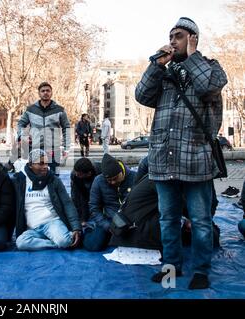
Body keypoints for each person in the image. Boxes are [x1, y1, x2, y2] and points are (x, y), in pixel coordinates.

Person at [135, 17, 228, 289]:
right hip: (164, 159)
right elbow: (141, 95)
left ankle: (201, 270)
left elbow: (208, 88)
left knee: (200, 220)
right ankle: (171, 267)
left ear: (193, 38)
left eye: (178, 36)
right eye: (170, 36)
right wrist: (155, 66)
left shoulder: (211, 68)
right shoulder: (165, 72)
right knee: (168, 219)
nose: (172, 41)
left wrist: (192, 56)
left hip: (195, 160)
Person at [12, 149, 81, 251]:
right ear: (30, 165)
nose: (45, 167)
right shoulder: (19, 181)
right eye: (40, 164)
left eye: (46, 163)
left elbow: (67, 203)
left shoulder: (53, 180)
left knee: (64, 241)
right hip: (32, 228)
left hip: (52, 223)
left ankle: (60, 240)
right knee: (21, 243)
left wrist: (76, 227)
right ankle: (54, 242)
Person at [83, 153, 136, 252]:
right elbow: (94, 207)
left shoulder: (134, 178)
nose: (112, 182)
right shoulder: (98, 181)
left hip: (131, 220)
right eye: (109, 180)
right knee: (93, 245)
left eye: (115, 178)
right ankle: (88, 230)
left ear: (121, 172)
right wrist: (106, 225)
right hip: (109, 220)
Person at [17, 82, 71, 174]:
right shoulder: (30, 109)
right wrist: (22, 136)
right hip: (35, 149)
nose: (45, 93)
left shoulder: (60, 110)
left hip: (54, 150)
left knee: (54, 177)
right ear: (39, 93)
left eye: (48, 91)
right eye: (43, 91)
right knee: (35, 176)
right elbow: (21, 124)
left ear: (51, 93)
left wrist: (66, 148)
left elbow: (66, 128)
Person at [70, 158, 102, 225]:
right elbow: (77, 199)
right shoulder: (75, 176)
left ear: (89, 173)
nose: (76, 175)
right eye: (76, 172)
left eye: (79, 174)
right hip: (84, 194)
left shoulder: (100, 172)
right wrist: (82, 219)